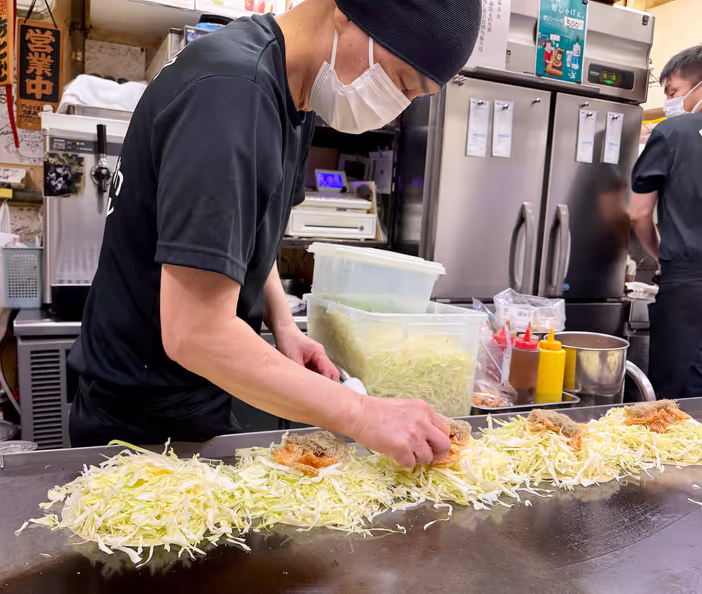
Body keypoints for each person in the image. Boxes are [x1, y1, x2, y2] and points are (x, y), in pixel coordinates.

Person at [67, 0, 482, 467]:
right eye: (403, 83)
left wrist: (285, 327)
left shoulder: (295, 90)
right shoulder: (232, 94)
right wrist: (365, 416)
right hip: (139, 420)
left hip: (196, 391)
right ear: (349, 16)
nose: (397, 103)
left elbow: (246, 231)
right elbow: (195, 332)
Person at [630, 45, 702, 398]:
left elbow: (639, 213)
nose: (672, 101)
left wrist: (660, 254)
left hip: (688, 285)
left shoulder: (673, 133)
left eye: (673, 91)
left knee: (675, 404)